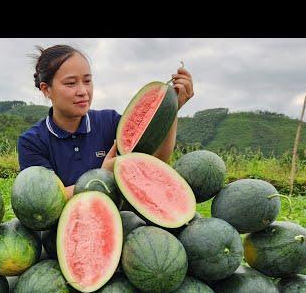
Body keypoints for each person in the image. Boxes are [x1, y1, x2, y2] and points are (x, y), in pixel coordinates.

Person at [17, 44, 194, 199]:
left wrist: (171, 111)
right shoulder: (31, 142)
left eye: (87, 81)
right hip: (65, 228)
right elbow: (46, 201)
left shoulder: (109, 122)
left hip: (121, 220)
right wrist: (103, 175)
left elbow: (154, 162)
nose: (83, 91)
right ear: (46, 89)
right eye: (71, 83)